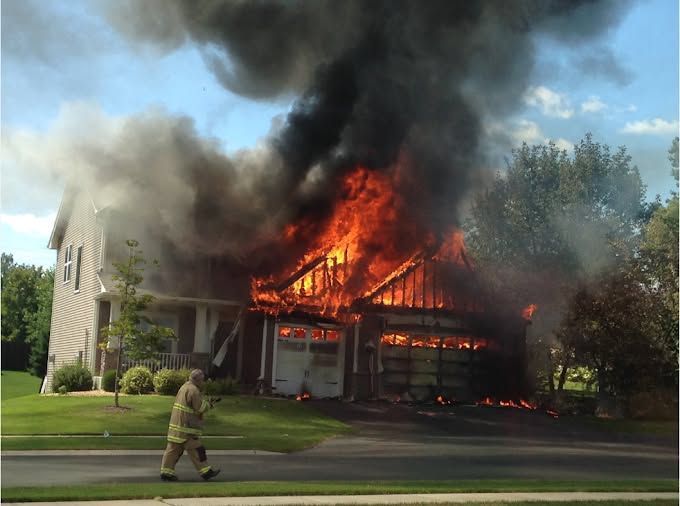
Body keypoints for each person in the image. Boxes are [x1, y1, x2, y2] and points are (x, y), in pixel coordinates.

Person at [160, 369, 220, 481]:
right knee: (197, 450)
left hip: (176, 426)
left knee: (173, 450)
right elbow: (200, 408)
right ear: (197, 380)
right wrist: (210, 404)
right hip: (187, 429)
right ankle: (206, 472)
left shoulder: (184, 387)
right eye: (202, 380)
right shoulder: (194, 390)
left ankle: (166, 472)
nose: (203, 383)